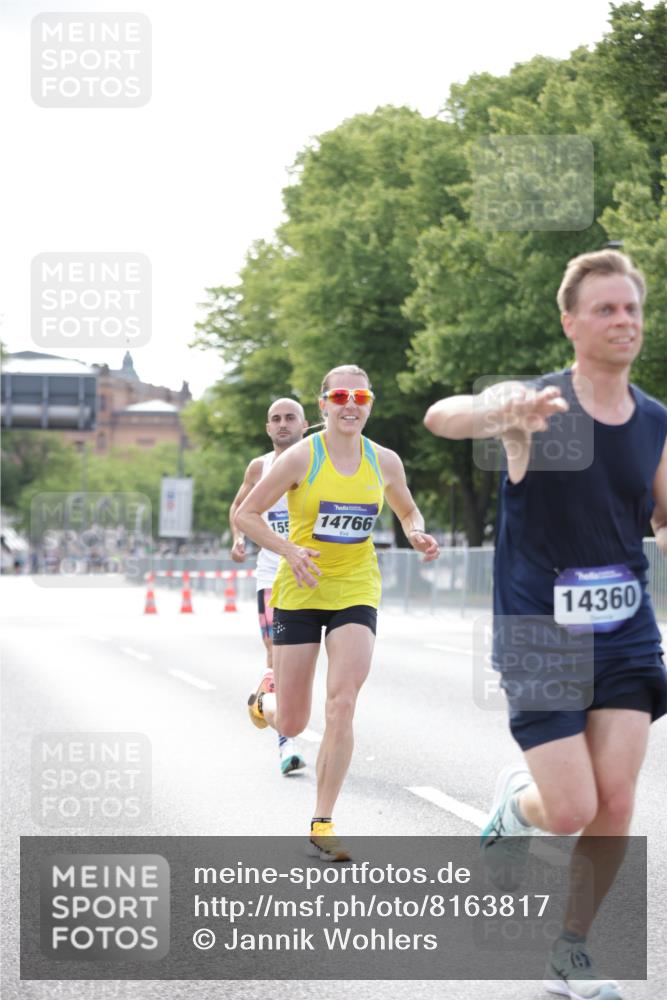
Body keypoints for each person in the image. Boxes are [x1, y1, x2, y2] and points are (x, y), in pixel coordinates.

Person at [424, 249, 667, 1000]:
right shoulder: (537, 404)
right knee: (569, 810)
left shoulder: (655, 419)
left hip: (624, 627)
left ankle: (572, 950)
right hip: (539, 630)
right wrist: (506, 414)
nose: (621, 320)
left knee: (617, 801)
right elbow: (442, 416)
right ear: (570, 323)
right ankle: (515, 805)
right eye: (604, 309)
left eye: (630, 307)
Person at [237, 365, 439, 860]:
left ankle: (322, 820)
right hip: (301, 589)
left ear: (370, 403)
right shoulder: (302, 456)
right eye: (341, 395)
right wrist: (288, 551)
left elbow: (407, 508)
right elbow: (246, 514)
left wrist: (416, 532)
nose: (352, 404)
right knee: (294, 718)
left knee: (342, 702)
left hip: (355, 587)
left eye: (361, 395)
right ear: (323, 403)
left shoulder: (384, 460)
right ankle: (264, 702)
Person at [229, 397, 309, 775]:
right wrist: (238, 539)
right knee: (277, 653)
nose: (282, 424)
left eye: (290, 418)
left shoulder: (318, 462)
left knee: (304, 664)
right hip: (272, 575)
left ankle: (265, 699)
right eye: (275, 419)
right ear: (267, 428)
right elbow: (239, 508)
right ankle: (286, 744)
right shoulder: (259, 467)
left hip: (313, 574)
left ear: (305, 424)